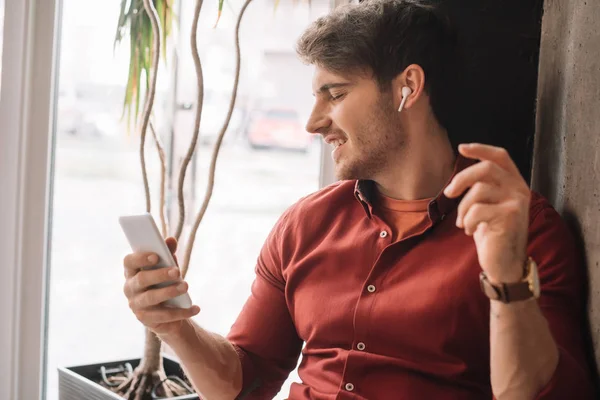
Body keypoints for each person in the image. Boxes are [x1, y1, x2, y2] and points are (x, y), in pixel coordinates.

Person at [122, 0, 595, 398]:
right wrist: (174, 326)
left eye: (335, 94)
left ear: (407, 88)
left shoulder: (519, 228)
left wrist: (508, 277)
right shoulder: (306, 224)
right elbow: (244, 380)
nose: (313, 122)